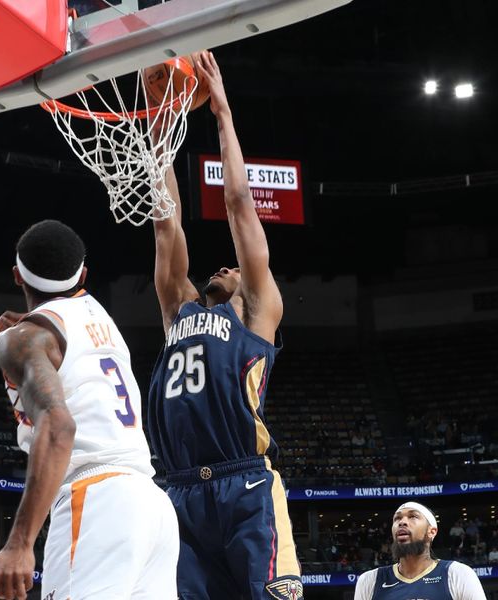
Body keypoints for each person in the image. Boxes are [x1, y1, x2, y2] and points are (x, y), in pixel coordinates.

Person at [147, 50, 302, 599]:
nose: (225, 267)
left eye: (233, 268)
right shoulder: (179, 311)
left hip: (245, 485)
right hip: (178, 493)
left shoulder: (259, 311)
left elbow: (238, 204)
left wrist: (222, 113)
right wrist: (159, 120)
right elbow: (167, 222)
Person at [0, 220, 178, 600]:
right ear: (83, 275)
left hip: (95, 500)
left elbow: (59, 427)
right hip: (152, 503)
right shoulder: (99, 317)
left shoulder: (23, 338)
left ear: (16, 277)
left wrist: (21, 542)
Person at [353, 502, 487, 600]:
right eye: (397, 518)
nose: (402, 522)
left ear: (431, 531)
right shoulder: (370, 580)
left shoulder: (458, 574)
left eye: (413, 517)